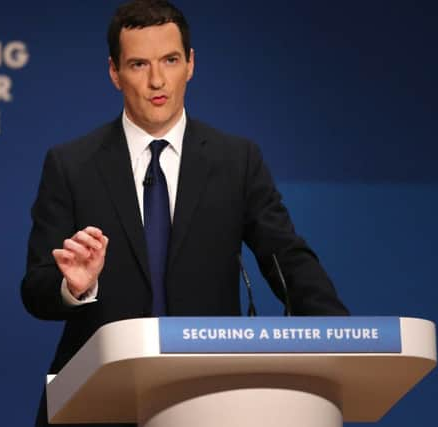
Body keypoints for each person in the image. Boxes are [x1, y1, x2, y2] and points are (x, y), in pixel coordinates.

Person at [21, 1, 348, 426]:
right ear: (114, 72)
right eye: (138, 64)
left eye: (170, 60)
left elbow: (286, 257)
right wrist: (74, 287)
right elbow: (36, 288)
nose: (157, 80)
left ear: (190, 64)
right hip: (97, 400)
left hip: (209, 397)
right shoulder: (71, 165)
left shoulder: (236, 161)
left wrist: (341, 337)